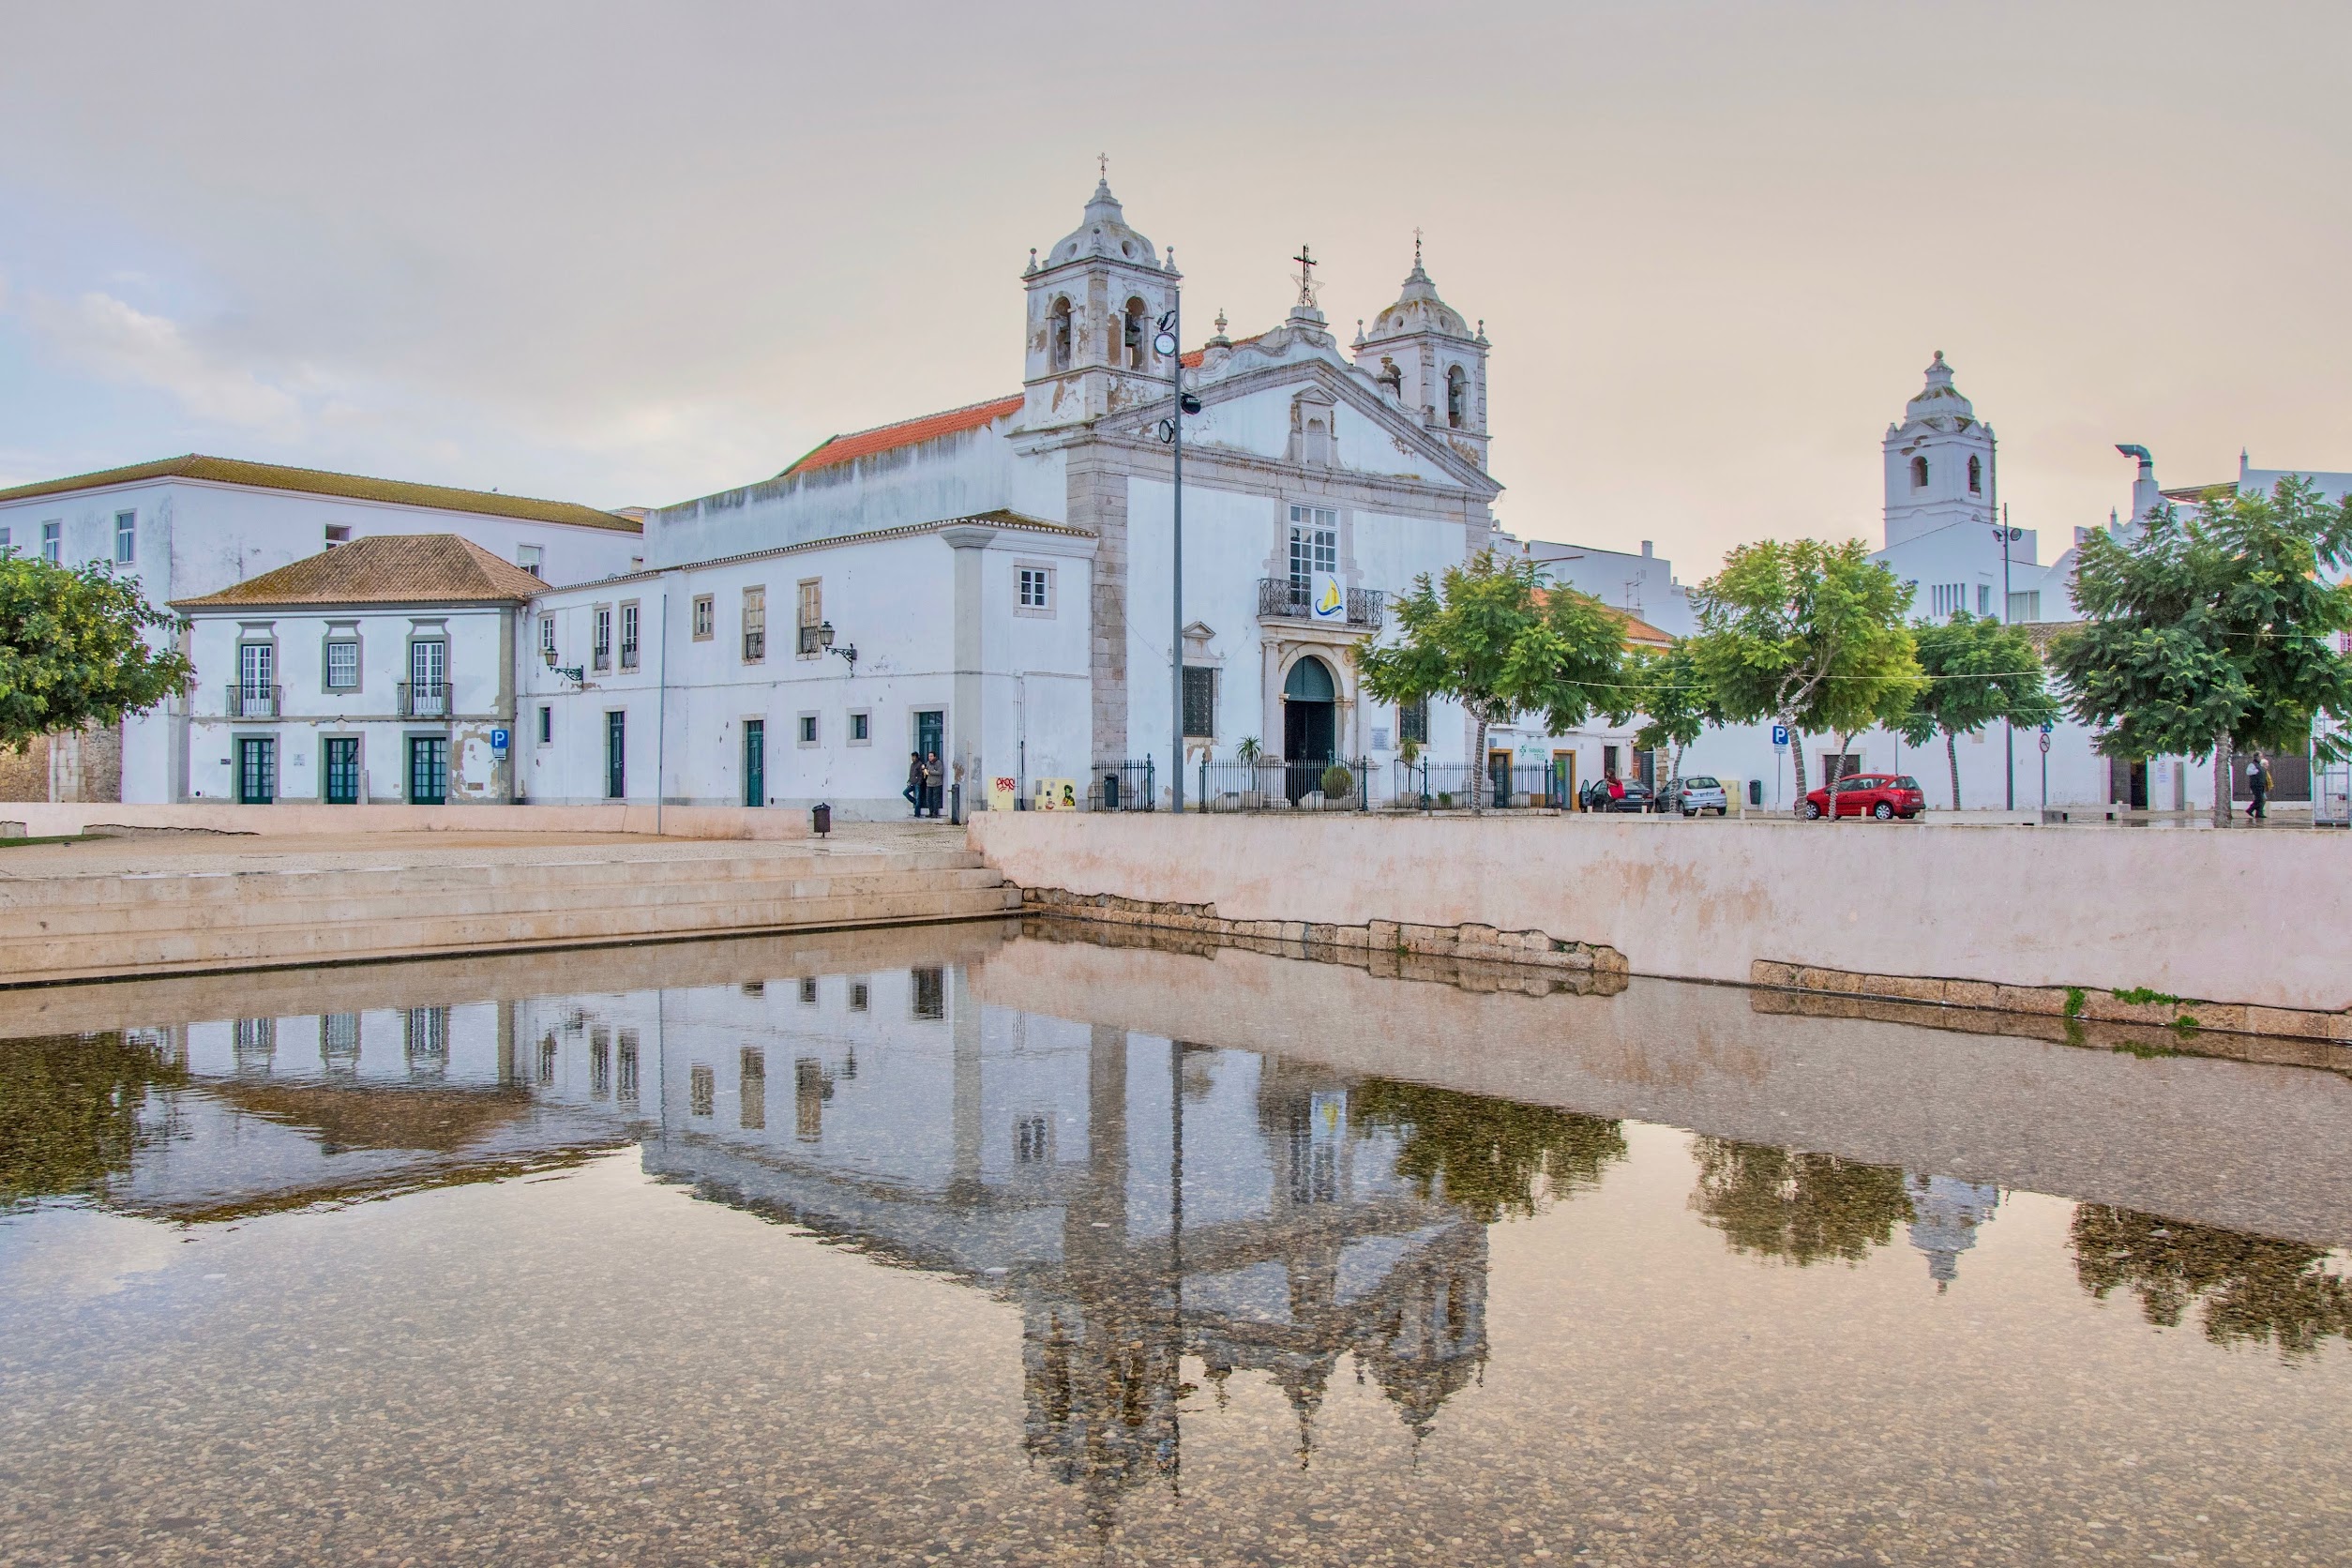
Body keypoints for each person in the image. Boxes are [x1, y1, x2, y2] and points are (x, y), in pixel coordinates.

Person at [2247, 753, 2270, 822]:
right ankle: (2250, 810)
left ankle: (2259, 813)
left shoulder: (2260, 765)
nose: (2261, 757)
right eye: (2260, 756)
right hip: (2255, 785)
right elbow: (2248, 772)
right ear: (2256, 757)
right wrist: (2256, 771)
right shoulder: (2252, 765)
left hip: (2261, 785)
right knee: (2260, 799)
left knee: (2261, 799)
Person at [920, 751, 943, 818]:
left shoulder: (938, 763)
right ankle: (930, 812)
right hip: (929, 783)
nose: (930, 758)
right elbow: (926, 771)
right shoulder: (928, 763)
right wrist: (924, 770)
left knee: (936, 799)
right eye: (929, 756)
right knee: (929, 799)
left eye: (931, 756)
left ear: (935, 757)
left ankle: (935, 813)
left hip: (937, 784)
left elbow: (940, 772)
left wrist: (930, 772)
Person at [904, 751, 925, 817]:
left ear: (917, 757)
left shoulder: (920, 764)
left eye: (914, 757)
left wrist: (919, 782)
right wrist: (909, 781)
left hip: (917, 784)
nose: (912, 758)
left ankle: (917, 813)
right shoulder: (912, 765)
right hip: (912, 783)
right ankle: (915, 802)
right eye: (912, 757)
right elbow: (911, 775)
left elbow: (921, 775)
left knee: (918, 797)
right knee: (905, 792)